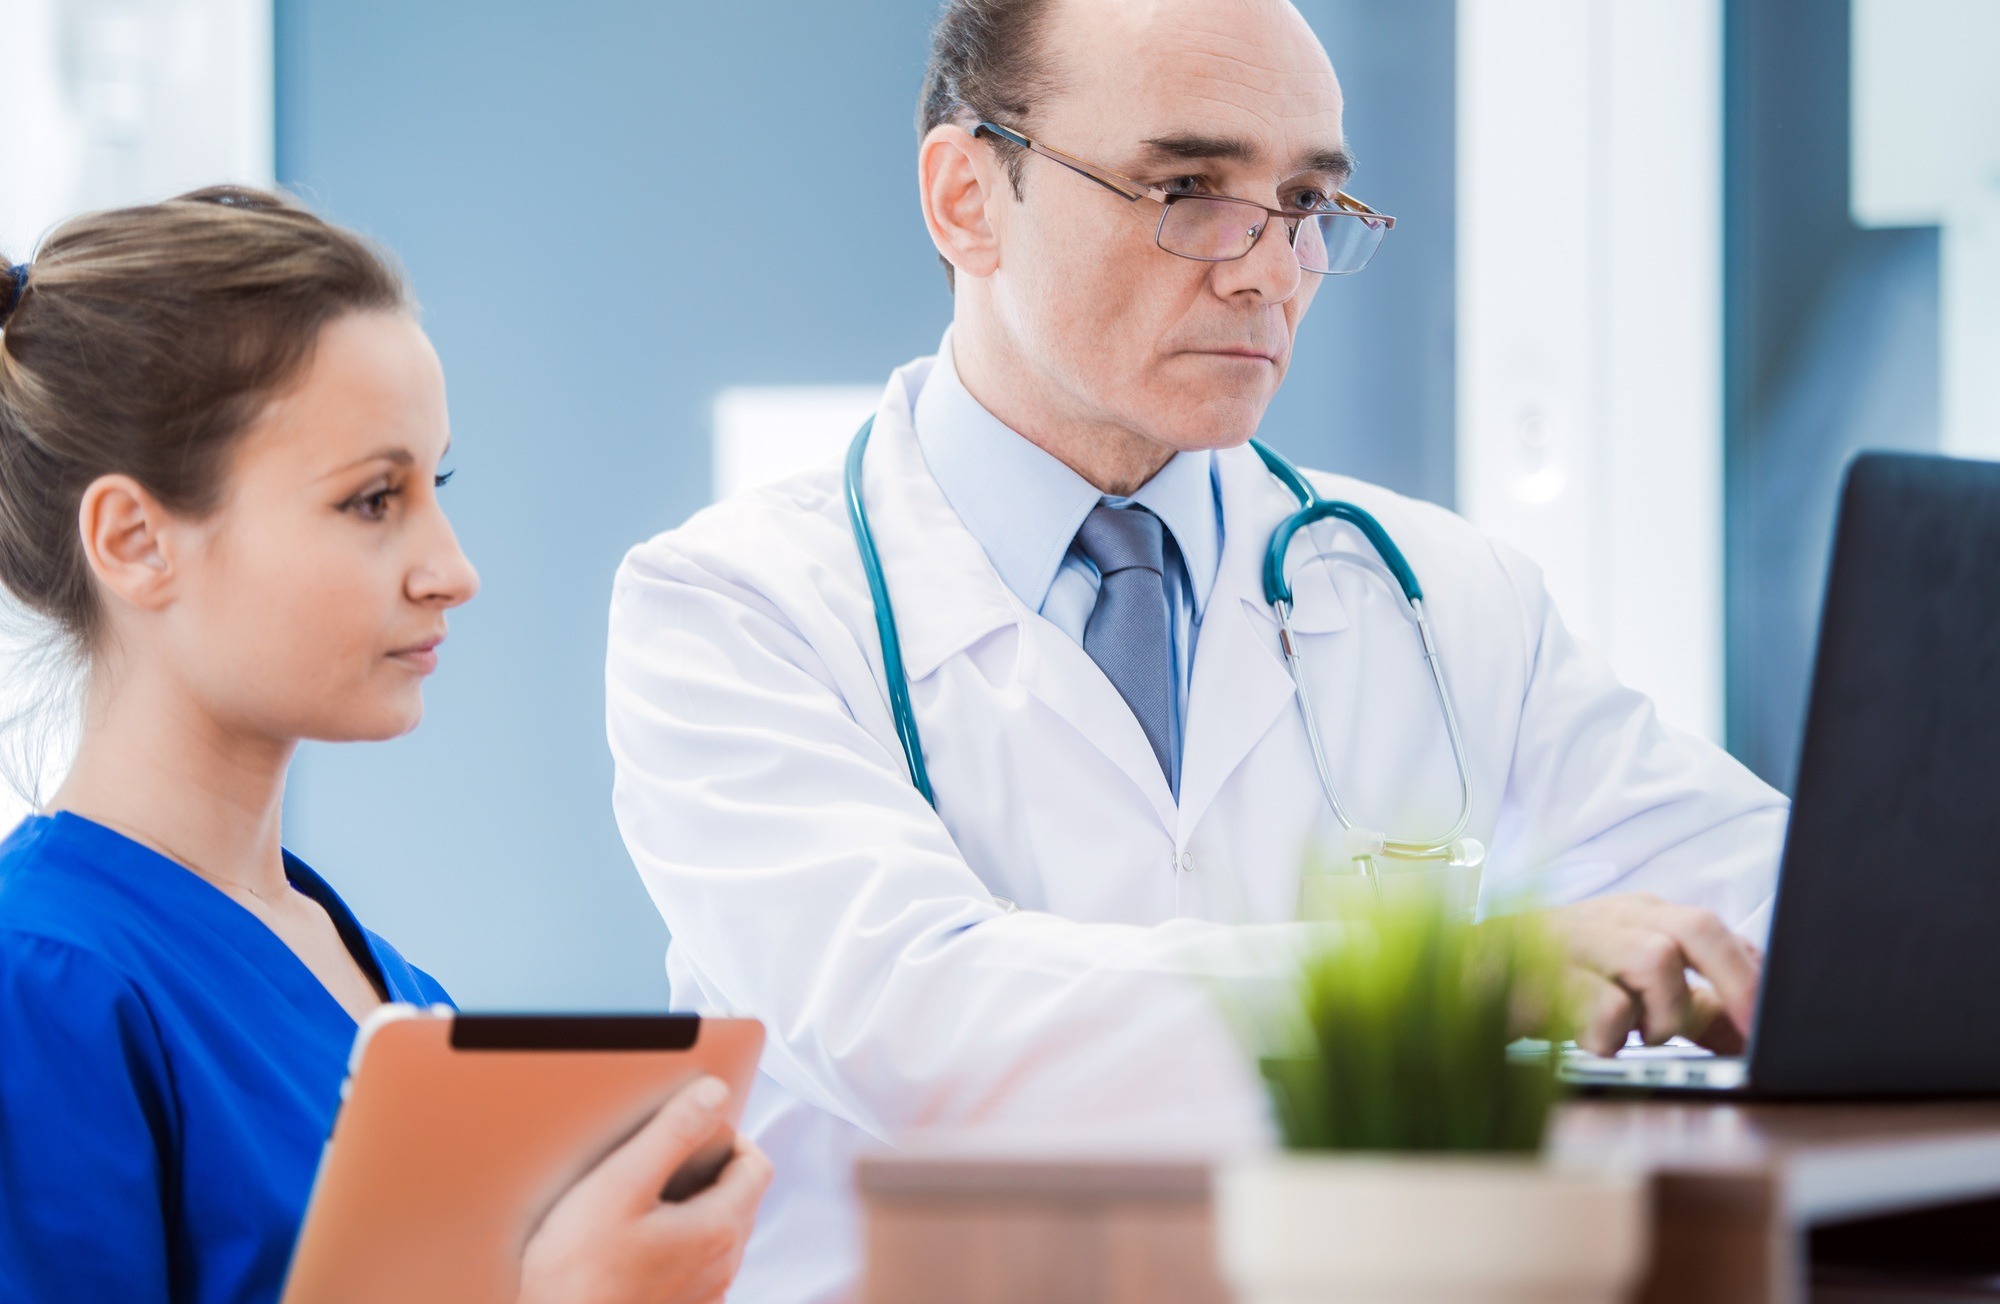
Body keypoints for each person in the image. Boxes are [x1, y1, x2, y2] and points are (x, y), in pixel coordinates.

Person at [605, 1, 1785, 1299]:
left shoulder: (1438, 593)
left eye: (1304, 204)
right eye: (1187, 189)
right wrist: (1462, 982)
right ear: (966, 198)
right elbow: (915, 1023)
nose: (1269, 272)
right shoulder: (733, 608)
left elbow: (1775, 895)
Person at [0, 190, 769, 1304]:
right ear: (135, 540)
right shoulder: (43, 977)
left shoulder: (395, 995)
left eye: (434, 485)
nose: (452, 568)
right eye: (373, 499)